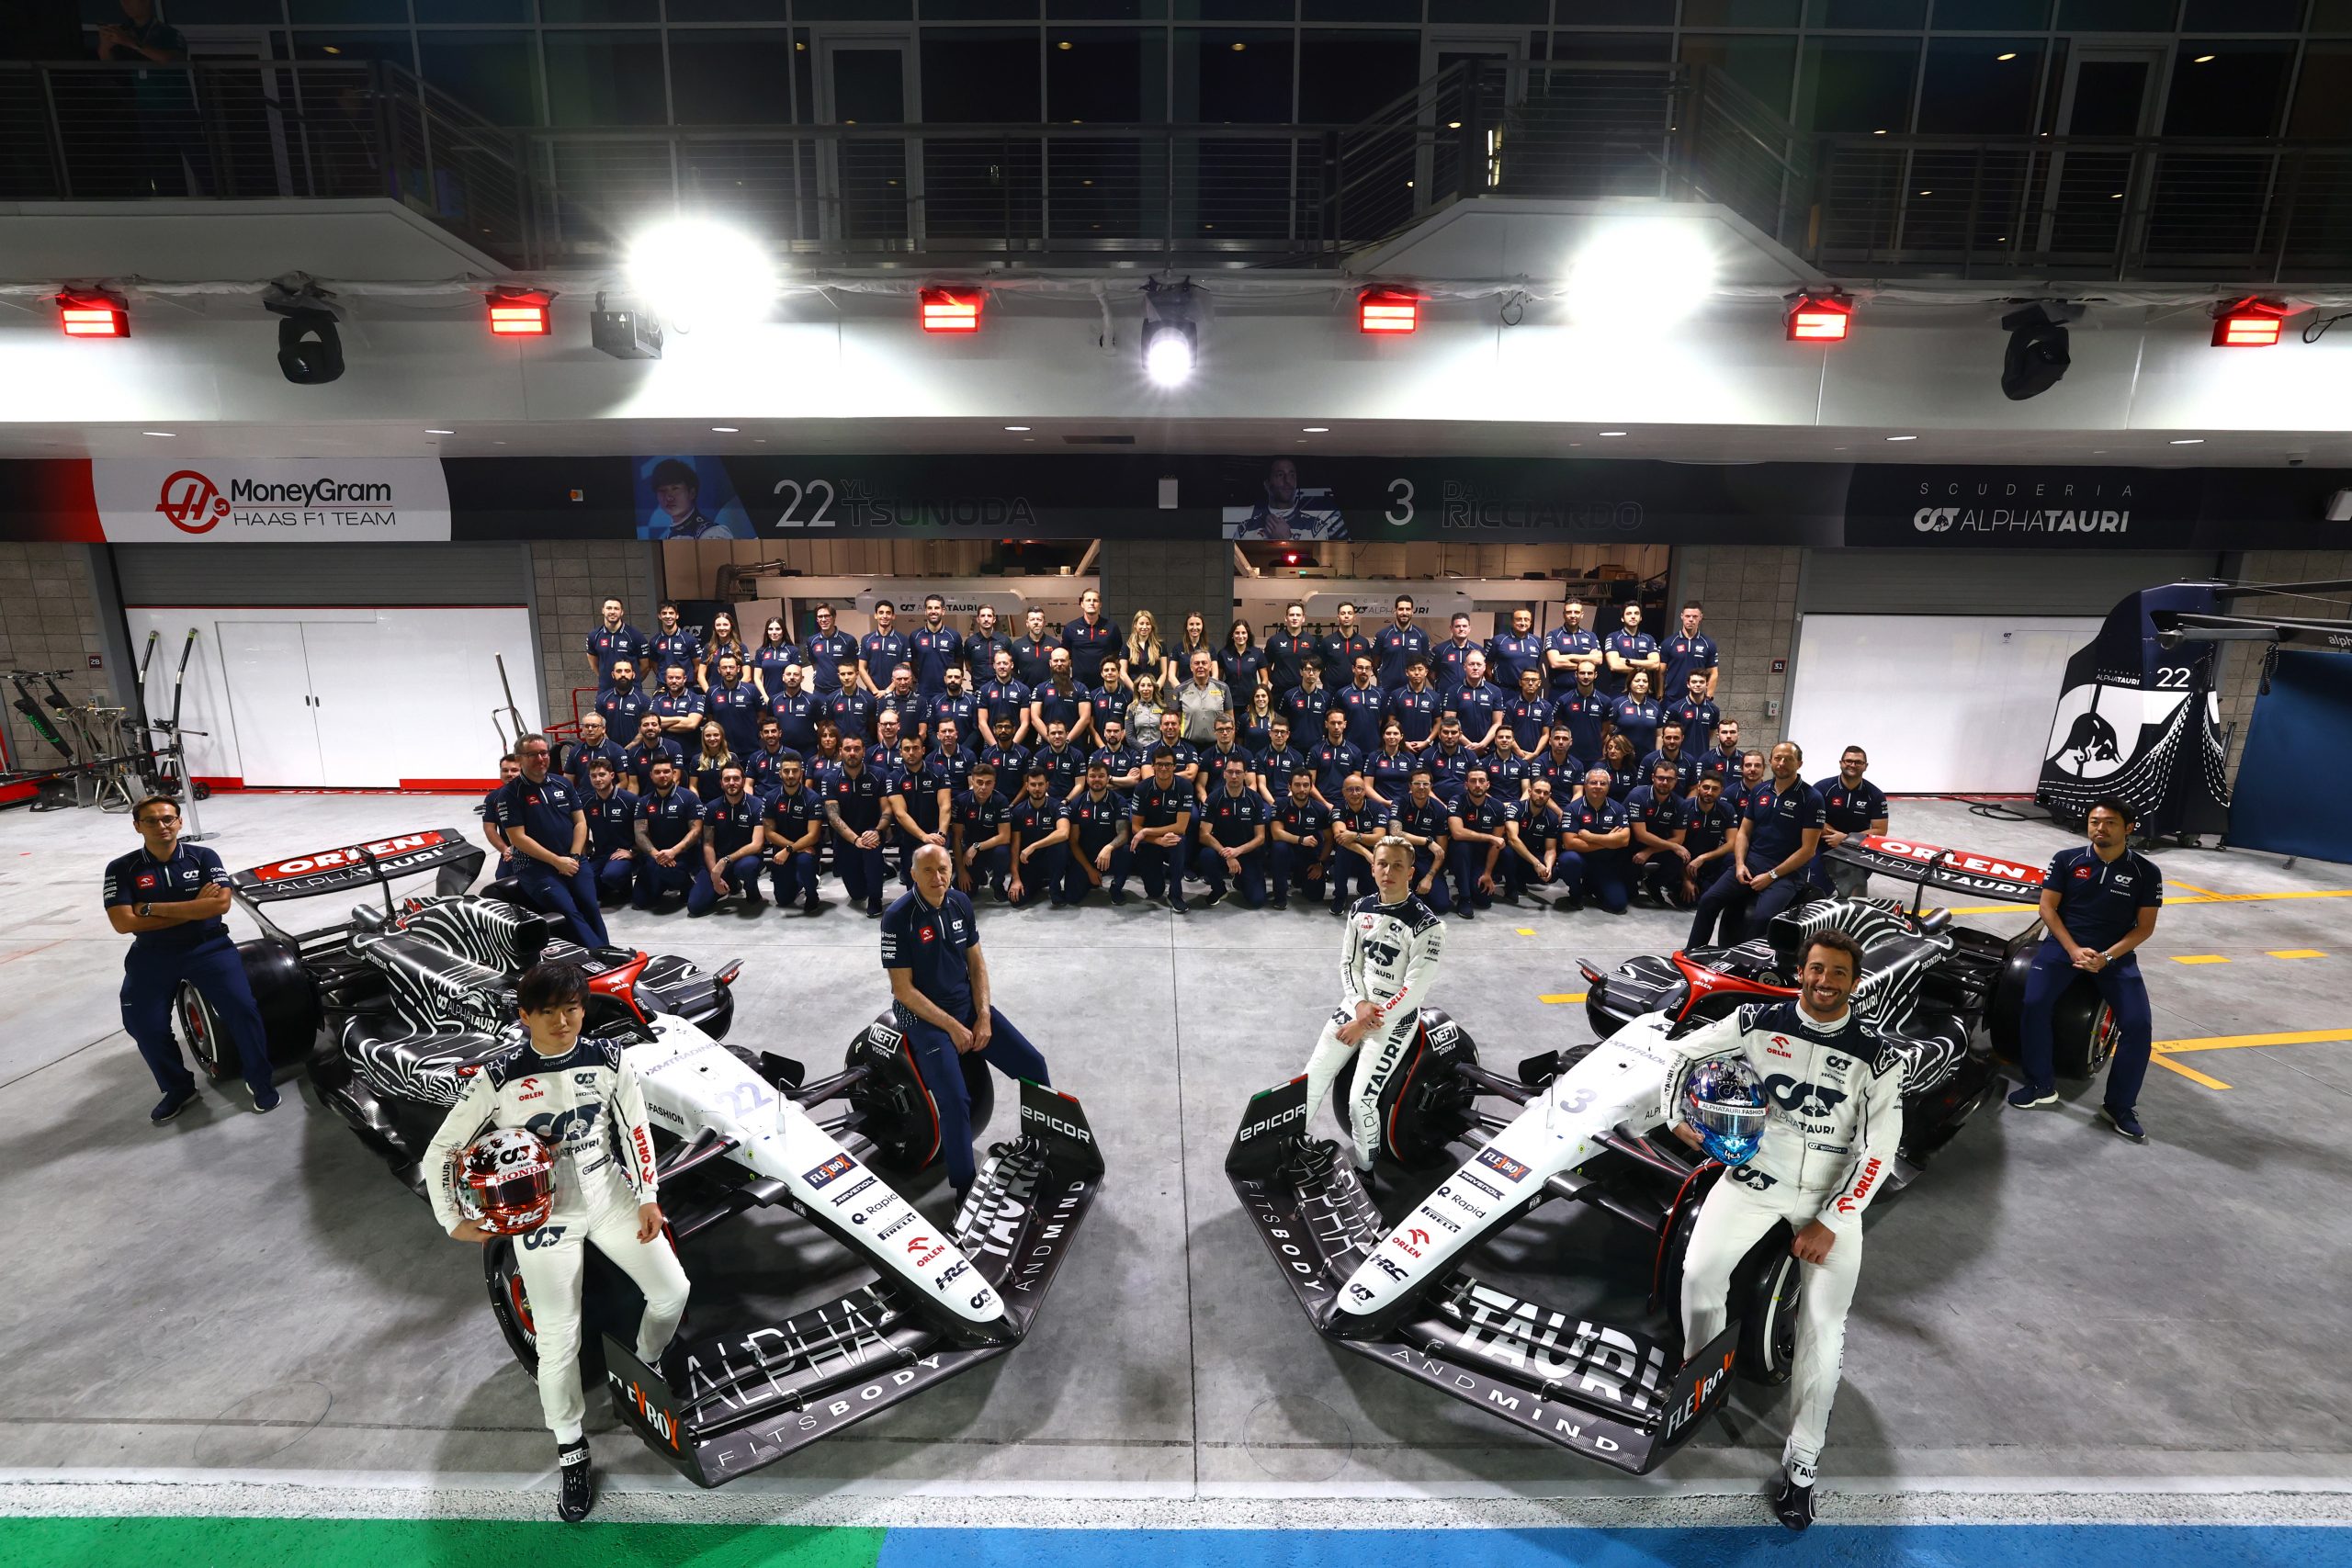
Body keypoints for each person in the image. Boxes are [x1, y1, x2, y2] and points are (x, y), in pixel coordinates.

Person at [426, 959, 687, 1524]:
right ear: (525, 1016)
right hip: (543, 1211)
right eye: (548, 1012)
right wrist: (452, 1218)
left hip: (610, 1192)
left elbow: (635, 1131)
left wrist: (647, 1196)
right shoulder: (498, 1077)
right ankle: (571, 1447)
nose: (562, 1021)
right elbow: (441, 1151)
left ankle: (642, 1370)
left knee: (672, 1290)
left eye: (571, 1008)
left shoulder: (610, 1058)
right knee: (558, 1337)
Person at [1665, 931, 1901, 1533]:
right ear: (1801, 971)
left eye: (1839, 973)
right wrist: (1680, 1115)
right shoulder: (1754, 1020)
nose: (1826, 981)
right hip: (1754, 1176)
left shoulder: (1877, 1054)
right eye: (1817, 969)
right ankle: (1703, 1382)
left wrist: (1835, 1216)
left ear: (1854, 981)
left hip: (1830, 1196)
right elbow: (1681, 1054)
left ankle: (1801, 1468)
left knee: (1822, 1329)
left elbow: (1880, 1147)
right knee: (1698, 1273)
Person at [883, 847, 1056, 1201]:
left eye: (943, 869)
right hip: (923, 1018)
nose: (938, 878)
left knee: (1033, 1065)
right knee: (955, 1099)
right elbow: (902, 990)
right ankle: (964, 1188)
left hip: (966, 1007)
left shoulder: (960, 902)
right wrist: (953, 1027)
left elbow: (976, 965)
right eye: (928, 871)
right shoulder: (899, 917)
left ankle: (1042, 1146)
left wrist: (984, 1015)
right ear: (912, 875)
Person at [106, 795, 277, 1121]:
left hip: (208, 947)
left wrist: (150, 909)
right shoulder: (122, 868)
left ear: (180, 821)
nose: (162, 825)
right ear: (137, 826)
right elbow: (123, 923)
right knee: (142, 1024)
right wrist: (193, 910)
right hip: (152, 953)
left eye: (168, 818)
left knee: (243, 1010)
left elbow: (219, 906)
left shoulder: (203, 856)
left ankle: (260, 1081)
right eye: (152, 820)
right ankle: (178, 1088)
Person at [2008, 798, 2162, 1141]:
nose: (2100, 828)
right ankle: (2040, 1084)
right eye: (2094, 822)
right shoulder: (2067, 860)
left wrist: (2106, 957)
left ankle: (2119, 1105)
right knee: (2034, 1004)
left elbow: (2144, 928)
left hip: (2115, 956)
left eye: (2109, 822)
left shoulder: (2146, 872)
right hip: (2063, 947)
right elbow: (2047, 908)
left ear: (2129, 827)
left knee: (2138, 1025)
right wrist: (2073, 948)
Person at [1295, 837, 1444, 1177]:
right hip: (1357, 1004)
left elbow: (1414, 989)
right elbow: (1349, 964)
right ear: (1372, 866)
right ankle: (1292, 1144)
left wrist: (1365, 1021)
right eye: (1382, 863)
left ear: (1411, 872)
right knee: (1311, 1078)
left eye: (1397, 865)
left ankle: (1365, 1171)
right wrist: (1360, 1004)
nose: (1387, 871)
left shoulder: (1428, 926)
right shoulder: (1360, 907)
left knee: (1359, 1101)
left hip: (1396, 1018)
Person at [1690, 741, 1823, 948]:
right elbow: (1743, 832)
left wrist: (1772, 876)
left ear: (1800, 763)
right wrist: (1741, 864)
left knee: (1762, 918)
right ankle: (1692, 953)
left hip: (1787, 874)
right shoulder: (1760, 791)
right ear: (1771, 761)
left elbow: (1808, 850)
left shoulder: (1812, 798)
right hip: (1752, 863)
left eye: (1789, 759)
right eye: (1778, 758)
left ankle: (1744, 966)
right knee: (1708, 901)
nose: (1782, 763)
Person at [495, 735, 611, 950]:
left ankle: (608, 952)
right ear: (520, 759)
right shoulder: (510, 794)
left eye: (544, 753)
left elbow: (580, 823)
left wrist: (574, 856)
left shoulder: (563, 783)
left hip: (573, 861)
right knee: (568, 911)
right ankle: (599, 955)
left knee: (590, 907)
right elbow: (518, 838)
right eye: (533, 754)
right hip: (535, 867)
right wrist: (557, 861)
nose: (541, 758)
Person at [823, 734, 893, 917]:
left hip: (873, 834)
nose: (852, 753)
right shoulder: (830, 779)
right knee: (857, 894)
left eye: (856, 749)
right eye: (847, 749)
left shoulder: (878, 775)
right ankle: (883, 868)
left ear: (864, 751)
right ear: (841, 752)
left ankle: (876, 899)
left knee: (870, 848)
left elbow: (887, 810)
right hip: (847, 840)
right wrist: (855, 839)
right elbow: (833, 817)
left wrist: (878, 831)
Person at [688, 765, 766, 917]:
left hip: (744, 859)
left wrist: (726, 860)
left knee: (748, 866)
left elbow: (757, 845)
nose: (732, 782)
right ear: (721, 783)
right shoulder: (711, 808)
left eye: (736, 778)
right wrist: (714, 874)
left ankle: (752, 891)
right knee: (695, 907)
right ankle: (733, 884)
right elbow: (708, 844)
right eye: (727, 779)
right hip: (717, 862)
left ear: (743, 781)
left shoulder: (756, 806)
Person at [1812, 747, 1889, 897]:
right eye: (1849, 761)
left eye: (1858, 762)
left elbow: (1880, 830)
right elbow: (1813, 820)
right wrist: (1836, 839)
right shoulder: (1822, 788)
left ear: (1866, 766)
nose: (1853, 765)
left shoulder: (1875, 795)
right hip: (1823, 847)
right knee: (1817, 894)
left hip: (1857, 850)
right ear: (1841, 763)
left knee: (1852, 898)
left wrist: (1847, 840)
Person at [1194, 756, 1270, 908]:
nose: (1234, 776)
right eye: (1230, 772)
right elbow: (1204, 835)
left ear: (1245, 774)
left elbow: (1261, 837)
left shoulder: (1254, 799)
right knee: (1206, 855)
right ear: (1224, 774)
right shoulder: (1214, 798)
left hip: (1247, 853)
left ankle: (1240, 880)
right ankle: (1219, 889)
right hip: (1221, 852)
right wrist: (1227, 854)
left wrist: (1238, 851)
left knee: (1257, 901)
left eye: (1238, 772)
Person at [629, 756, 702, 911]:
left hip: (682, 855)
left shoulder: (688, 798)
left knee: (670, 872)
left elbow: (696, 831)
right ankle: (660, 884)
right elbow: (640, 834)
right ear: (651, 775)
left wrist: (674, 851)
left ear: (674, 773)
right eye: (657, 772)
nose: (662, 775)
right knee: (639, 903)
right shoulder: (644, 802)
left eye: (666, 772)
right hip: (655, 856)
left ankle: (686, 884)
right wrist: (657, 855)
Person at [1126, 748, 1194, 912]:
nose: (1164, 768)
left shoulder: (1184, 786)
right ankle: (1162, 868)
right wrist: (1156, 839)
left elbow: (1181, 827)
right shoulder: (1143, 788)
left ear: (1175, 766)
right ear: (1153, 766)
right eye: (1160, 765)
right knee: (1154, 892)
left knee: (1178, 841)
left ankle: (1175, 894)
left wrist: (1146, 831)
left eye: (1168, 765)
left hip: (1171, 838)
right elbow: (1136, 827)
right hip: (1150, 842)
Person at [1558, 767, 1634, 915]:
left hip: (1605, 864)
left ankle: (1592, 885)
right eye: (1593, 782)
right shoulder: (1572, 809)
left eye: (1602, 783)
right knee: (1568, 859)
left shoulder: (1618, 809)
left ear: (1608, 786)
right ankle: (1576, 892)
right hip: (1581, 860)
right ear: (1585, 785)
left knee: (1618, 906)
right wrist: (1609, 841)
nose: (1598, 786)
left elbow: (1624, 840)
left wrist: (1591, 837)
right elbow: (1570, 843)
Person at [1444, 765, 1511, 919]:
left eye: (1482, 781)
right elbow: (1458, 833)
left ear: (1488, 784)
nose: (1477, 785)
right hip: (1459, 855)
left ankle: (1479, 879)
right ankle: (1464, 897)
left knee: (1484, 901)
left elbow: (1497, 843)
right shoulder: (1457, 801)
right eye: (1473, 781)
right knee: (1461, 845)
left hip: (1482, 858)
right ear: (1466, 784)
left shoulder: (1498, 807)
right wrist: (1489, 837)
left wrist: (1487, 873)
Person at [1063, 761, 1133, 906]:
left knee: (1126, 850)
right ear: (1087, 779)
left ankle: (1116, 887)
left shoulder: (1118, 801)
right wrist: (1089, 869)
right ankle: (1090, 879)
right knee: (1071, 898)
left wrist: (1108, 848)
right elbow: (1073, 841)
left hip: (1109, 854)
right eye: (1092, 776)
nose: (1096, 779)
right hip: (1085, 856)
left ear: (1108, 778)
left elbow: (1124, 834)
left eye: (1101, 776)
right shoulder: (1077, 803)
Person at [764, 753, 827, 913]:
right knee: (783, 900)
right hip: (783, 851)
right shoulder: (771, 798)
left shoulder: (813, 799)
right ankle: (801, 881)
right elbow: (769, 833)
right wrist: (791, 848)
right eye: (786, 771)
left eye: (795, 771)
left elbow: (813, 835)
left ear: (801, 772)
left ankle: (812, 894)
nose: (790, 775)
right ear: (780, 773)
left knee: (804, 862)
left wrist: (790, 850)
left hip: (807, 852)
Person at [1625, 761, 1690, 907]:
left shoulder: (1680, 804)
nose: (1664, 782)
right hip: (1632, 846)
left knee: (1680, 856)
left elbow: (1679, 839)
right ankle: (1632, 880)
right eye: (1661, 778)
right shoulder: (1638, 796)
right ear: (1653, 777)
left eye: (1669, 779)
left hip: (1657, 846)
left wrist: (1649, 851)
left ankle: (1652, 884)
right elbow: (1640, 835)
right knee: (1629, 896)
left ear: (1676, 781)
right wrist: (1674, 846)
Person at [1238, 457, 1346, 540]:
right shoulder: (1246, 528)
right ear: (1267, 484)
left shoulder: (1315, 527)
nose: (1287, 481)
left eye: (1292, 475)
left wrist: (1287, 539)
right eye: (1280, 475)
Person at [1390, 768, 1453, 911]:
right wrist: (1428, 841)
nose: (1421, 787)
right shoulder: (1399, 803)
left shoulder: (1439, 809)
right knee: (1395, 904)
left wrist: (1429, 878)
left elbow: (1441, 851)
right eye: (1417, 783)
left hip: (1426, 860)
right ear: (1410, 786)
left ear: (1431, 786)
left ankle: (1419, 891)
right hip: (1401, 858)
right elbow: (1395, 833)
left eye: (1425, 784)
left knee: (1441, 906)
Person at [950, 758, 1013, 901]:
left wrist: (977, 847)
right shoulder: (961, 801)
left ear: (994, 784)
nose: (983, 787)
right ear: (972, 782)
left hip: (992, 849)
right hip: (970, 854)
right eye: (979, 782)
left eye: (988, 783)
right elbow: (956, 837)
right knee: (964, 892)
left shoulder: (1001, 800)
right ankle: (979, 875)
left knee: (1002, 853)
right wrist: (961, 871)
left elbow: (1005, 836)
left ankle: (997, 883)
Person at [1268, 772, 1332, 910]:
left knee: (1315, 897)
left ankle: (1299, 879)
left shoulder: (1320, 809)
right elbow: (1276, 833)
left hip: (1309, 858)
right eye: (1297, 785)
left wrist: (1320, 864)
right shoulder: (1279, 804)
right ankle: (1280, 895)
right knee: (1279, 847)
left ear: (1311, 787)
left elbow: (1329, 839)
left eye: (1305, 785)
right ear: (1289, 787)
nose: (1302, 789)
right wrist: (1301, 840)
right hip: (1287, 855)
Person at [1329, 773, 1391, 915]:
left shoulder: (1376, 808)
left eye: (1358, 789)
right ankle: (1340, 896)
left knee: (1369, 891)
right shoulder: (1338, 808)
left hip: (1372, 856)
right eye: (1350, 790)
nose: (1355, 793)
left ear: (1364, 791)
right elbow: (1341, 838)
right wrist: (1366, 853)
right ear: (1343, 792)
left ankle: (1365, 888)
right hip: (1352, 854)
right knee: (1342, 851)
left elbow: (1379, 837)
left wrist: (1354, 835)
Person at [1679, 772, 1742, 909]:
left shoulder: (1727, 809)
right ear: (1699, 787)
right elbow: (1677, 845)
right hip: (1685, 862)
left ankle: (1710, 886)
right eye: (1706, 787)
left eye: (1715, 789)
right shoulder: (1684, 807)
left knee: (1732, 859)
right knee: (1689, 902)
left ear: (1721, 791)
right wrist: (1686, 879)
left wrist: (1703, 858)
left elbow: (1732, 844)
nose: (1709, 792)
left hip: (1709, 861)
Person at [582, 757, 638, 907]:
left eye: (602, 775)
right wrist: (581, 855)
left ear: (612, 776)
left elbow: (644, 830)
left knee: (611, 875)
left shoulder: (629, 800)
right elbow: (583, 830)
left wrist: (633, 851)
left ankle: (625, 888)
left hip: (624, 854)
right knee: (583, 884)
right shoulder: (586, 802)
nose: (597, 779)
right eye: (593, 776)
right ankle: (605, 885)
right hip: (600, 855)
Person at [1503, 774, 1566, 905]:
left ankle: (1521, 879)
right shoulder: (1515, 808)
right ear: (1530, 791)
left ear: (1549, 796)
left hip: (1532, 854)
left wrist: (1547, 867)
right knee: (1507, 853)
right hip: (1513, 852)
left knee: (1553, 873)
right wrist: (1536, 864)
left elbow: (1550, 848)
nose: (1541, 795)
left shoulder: (1552, 818)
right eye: (1538, 791)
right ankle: (1511, 885)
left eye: (1545, 793)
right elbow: (1513, 839)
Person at [1029, 649, 1093, 748]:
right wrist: (1051, 740)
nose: (1059, 664)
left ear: (1069, 663)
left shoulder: (1081, 688)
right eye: (1056, 661)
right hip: (1048, 747)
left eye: (1063, 660)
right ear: (1050, 663)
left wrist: (1066, 740)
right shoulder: (1040, 688)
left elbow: (1085, 718)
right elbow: (1034, 718)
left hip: (1074, 747)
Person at [703, 654, 763, 758]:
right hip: (722, 751)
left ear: (738, 669)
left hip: (750, 749)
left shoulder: (751, 689)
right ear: (719, 670)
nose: (728, 671)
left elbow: (762, 716)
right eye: (724, 667)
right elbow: (710, 720)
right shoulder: (711, 692)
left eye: (731, 667)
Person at [976, 646, 1033, 751]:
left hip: (1016, 747)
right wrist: (995, 748)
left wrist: (1011, 746)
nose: (1002, 666)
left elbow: (1025, 723)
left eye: (1005, 663)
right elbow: (982, 722)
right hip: (991, 747)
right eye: (999, 663)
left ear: (1012, 665)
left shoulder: (1023, 690)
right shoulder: (985, 690)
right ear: (994, 666)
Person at [584, 597, 649, 691]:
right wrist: (606, 679)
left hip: (631, 690)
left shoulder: (635, 635)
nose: (612, 612)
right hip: (605, 690)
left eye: (616, 609)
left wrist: (631, 681)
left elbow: (645, 666)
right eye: (609, 608)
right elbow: (593, 664)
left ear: (622, 612)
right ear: (603, 610)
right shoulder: (594, 636)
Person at [1544, 598, 1603, 698]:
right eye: (1569, 612)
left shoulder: (1590, 636)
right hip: (1559, 691)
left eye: (1576, 612)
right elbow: (1555, 663)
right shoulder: (1553, 635)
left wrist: (1569, 656)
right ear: (1564, 614)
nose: (1572, 615)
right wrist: (1586, 665)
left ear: (1582, 614)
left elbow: (1598, 659)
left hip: (1585, 692)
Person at [1661, 601, 1719, 704]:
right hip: (1671, 699)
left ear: (1700, 617)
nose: (1691, 620)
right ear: (1682, 616)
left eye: (1695, 616)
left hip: (1698, 700)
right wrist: (1659, 694)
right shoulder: (1669, 642)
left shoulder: (1708, 644)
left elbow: (1713, 673)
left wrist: (1709, 697)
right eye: (1688, 616)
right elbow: (1660, 673)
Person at [1448, 649, 1505, 754]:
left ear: (1484, 667)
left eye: (1479, 664)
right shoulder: (1453, 690)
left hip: (1487, 750)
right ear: (1465, 667)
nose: (1475, 668)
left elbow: (1497, 723)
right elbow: (1450, 723)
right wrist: (1470, 746)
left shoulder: (1495, 691)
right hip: (1461, 750)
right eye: (1471, 664)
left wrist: (1482, 745)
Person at [1553, 665, 1612, 762]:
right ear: (1576, 675)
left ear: (1595, 675)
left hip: (1594, 756)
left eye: (1589, 673)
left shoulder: (1605, 701)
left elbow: (1605, 729)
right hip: (1569, 756)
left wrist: (1593, 742)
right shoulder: (1563, 700)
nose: (1586, 676)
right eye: (1582, 673)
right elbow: (1558, 728)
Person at [1603, 602, 1664, 698]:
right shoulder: (1613, 637)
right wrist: (1643, 668)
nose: (1633, 616)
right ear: (1622, 618)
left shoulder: (1648, 638)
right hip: (1619, 689)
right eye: (1628, 613)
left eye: (1636, 613)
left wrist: (1628, 661)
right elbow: (1614, 665)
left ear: (1640, 618)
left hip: (1642, 688)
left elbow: (1655, 664)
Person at [1060, 587, 1117, 689]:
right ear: (1082, 604)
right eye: (1088, 600)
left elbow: (1116, 652)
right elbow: (1066, 655)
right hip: (1078, 685)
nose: (1091, 603)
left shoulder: (1111, 627)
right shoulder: (1071, 628)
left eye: (1095, 600)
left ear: (1100, 604)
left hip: (1104, 684)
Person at [1387, 654, 1443, 755]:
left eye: (1420, 669)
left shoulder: (1434, 696)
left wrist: (1427, 742)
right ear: (1406, 672)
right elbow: (1391, 721)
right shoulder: (1397, 694)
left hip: (1426, 749)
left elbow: (1438, 722)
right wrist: (1403, 742)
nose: (1416, 673)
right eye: (1412, 669)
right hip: (1402, 748)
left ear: (1426, 672)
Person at [1308, 708, 1363, 811]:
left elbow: (1356, 786)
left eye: (1339, 723)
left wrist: (1345, 805)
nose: (1336, 727)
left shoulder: (1355, 751)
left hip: (1347, 804)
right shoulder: (1316, 750)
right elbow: (1310, 784)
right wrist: (1325, 804)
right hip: (1320, 803)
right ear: (1326, 724)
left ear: (1345, 724)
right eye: (1333, 723)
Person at [910, 593, 964, 698]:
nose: (933, 611)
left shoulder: (954, 636)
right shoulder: (915, 636)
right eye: (929, 608)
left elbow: (959, 664)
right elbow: (912, 662)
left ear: (943, 611)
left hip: (948, 692)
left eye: (937, 608)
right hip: (923, 692)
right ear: (925, 611)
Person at [767, 661, 821, 760]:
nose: (792, 677)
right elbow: (769, 726)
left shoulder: (813, 700)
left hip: (808, 751)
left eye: (796, 674)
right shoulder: (774, 700)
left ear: (802, 678)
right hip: (781, 750)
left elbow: (822, 727)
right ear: (783, 677)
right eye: (788, 674)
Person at [1375, 593, 1430, 691]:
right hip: (1387, 690)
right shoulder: (1383, 635)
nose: (1404, 613)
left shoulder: (1422, 635)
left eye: (1408, 609)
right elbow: (1375, 664)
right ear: (1394, 611)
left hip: (1413, 691)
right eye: (1401, 609)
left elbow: (1426, 664)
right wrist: (1382, 680)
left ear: (1412, 611)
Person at [1177, 649, 1233, 745]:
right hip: (1188, 745)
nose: (1200, 666)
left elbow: (1231, 720)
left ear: (1210, 666)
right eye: (1196, 663)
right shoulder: (1180, 690)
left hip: (1216, 745)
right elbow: (1176, 722)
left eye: (1204, 663)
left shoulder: (1223, 688)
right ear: (1191, 667)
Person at [1337, 653, 1387, 755]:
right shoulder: (1342, 694)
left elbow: (1383, 721)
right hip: (1348, 749)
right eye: (1360, 668)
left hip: (1374, 750)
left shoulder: (1380, 694)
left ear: (1371, 670)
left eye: (1367, 668)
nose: (1364, 671)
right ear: (1353, 669)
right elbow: (1336, 721)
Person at [803, 603, 857, 698]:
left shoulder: (848, 640)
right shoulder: (812, 641)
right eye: (820, 616)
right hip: (819, 691)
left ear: (834, 617)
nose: (823, 619)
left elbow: (856, 664)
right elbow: (814, 663)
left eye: (827, 616)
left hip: (842, 691)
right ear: (817, 619)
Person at [481, 753, 523, 877]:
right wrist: (505, 850)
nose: (509, 774)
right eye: (505, 770)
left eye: (515, 770)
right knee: (502, 878)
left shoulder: (534, 793)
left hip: (538, 850)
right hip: (511, 852)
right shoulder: (492, 798)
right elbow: (489, 828)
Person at [621, 714, 683, 796]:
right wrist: (632, 803)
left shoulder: (674, 747)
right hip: (644, 801)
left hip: (669, 798)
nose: (650, 728)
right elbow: (633, 785)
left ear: (660, 728)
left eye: (654, 724)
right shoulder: (633, 752)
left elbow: (676, 779)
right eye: (645, 725)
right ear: (639, 729)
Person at [565, 712, 627, 795]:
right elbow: (567, 782)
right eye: (586, 726)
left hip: (608, 798)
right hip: (583, 799)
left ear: (603, 729)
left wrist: (605, 794)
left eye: (594, 726)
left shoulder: (616, 750)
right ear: (582, 729)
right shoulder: (575, 751)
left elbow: (625, 782)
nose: (590, 729)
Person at [1266, 601, 1318, 696]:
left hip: (1304, 692)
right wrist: (1277, 681)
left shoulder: (1312, 641)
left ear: (1303, 618)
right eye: (1291, 615)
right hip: (1280, 692)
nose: (1295, 618)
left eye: (1298, 615)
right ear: (1286, 618)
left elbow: (1316, 667)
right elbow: (1267, 667)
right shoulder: (1274, 640)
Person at [648, 602, 702, 694]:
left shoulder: (689, 639)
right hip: (663, 687)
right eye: (664, 613)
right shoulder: (654, 641)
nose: (668, 616)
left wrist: (687, 680)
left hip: (686, 687)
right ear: (659, 616)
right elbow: (654, 665)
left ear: (677, 616)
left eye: (671, 613)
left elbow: (697, 666)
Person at [1318, 602, 1373, 694]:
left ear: (1354, 617)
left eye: (1350, 613)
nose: (1346, 616)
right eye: (1343, 613)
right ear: (1338, 617)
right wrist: (1328, 683)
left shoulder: (1363, 642)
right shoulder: (1327, 641)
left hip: (1355, 692)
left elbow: (1367, 668)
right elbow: (1320, 667)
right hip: (1332, 692)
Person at [1254, 714, 1306, 807]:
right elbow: (1261, 785)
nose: (1279, 735)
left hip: (1291, 798)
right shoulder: (1261, 755)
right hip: (1267, 800)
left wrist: (1287, 802)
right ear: (1270, 733)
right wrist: (1274, 804)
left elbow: (1298, 784)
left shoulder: (1297, 756)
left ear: (1288, 735)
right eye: (1276, 731)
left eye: (1282, 732)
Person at [1362, 718, 1415, 810]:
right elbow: (1367, 786)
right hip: (1379, 805)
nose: (1391, 736)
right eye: (1388, 733)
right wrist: (1384, 803)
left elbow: (1415, 785)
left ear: (1401, 736)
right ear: (1383, 736)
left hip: (1405, 806)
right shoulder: (1374, 757)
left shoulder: (1410, 758)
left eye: (1395, 733)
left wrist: (1403, 803)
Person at [859, 602, 910, 697]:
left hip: (897, 693)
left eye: (888, 613)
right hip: (873, 694)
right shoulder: (866, 639)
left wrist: (888, 690)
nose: (884, 616)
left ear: (893, 616)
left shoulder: (902, 639)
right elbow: (861, 668)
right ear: (875, 615)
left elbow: (906, 669)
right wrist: (875, 691)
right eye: (881, 612)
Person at [1487, 606, 1544, 692]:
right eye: (1519, 619)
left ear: (1530, 622)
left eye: (1526, 619)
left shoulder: (1537, 641)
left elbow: (1537, 665)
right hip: (1504, 690)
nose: (1523, 623)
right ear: (1512, 622)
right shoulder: (1498, 640)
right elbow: (1487, 666)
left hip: (1528, 692)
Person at [1612, 670, 1663, 760]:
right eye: (1637, 681)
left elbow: (1659, 736)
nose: (1641, 684)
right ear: (1629, 683)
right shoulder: (1618, 704)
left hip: (1648, 758)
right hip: (1623, 758)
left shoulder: (1655, 705)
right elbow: (1609, 733)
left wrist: (1657, 757)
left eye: (1645, 681)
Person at [594, 660, 650, 741]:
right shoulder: (602, 699)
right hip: (609, 750)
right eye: (619, 671)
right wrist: (613, 748)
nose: (623, 674)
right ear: (613, 675)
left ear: (633, 675)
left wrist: (631, 747)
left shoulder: (644, 700)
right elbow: (599, 726)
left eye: (627, 671)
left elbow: (646, 728)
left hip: (635, 750)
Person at [1642, 720, 1699, 798]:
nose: (1672, 741)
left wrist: (1685, 807)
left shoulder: (1690, 761)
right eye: (1668, 737)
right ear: (1662, 738)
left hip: (1680, 808)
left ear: (1682, 738)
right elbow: (1642, 790)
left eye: (1676, 738)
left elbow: (1694, 789)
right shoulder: (1649, 760)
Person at [1282, 656, 1333, 742]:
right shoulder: (1289, 695)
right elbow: (1283, 722)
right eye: (1308, 669)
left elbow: (1329, 723)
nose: (1311, 673)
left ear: (1320, 672)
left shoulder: (1326, 697)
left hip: (1318, 748)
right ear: (1301, 672)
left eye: (1315, 670)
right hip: (1294, 747)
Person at [750, 615, 798, 702]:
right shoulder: (761, 651)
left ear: (783, 631)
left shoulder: (792, 650)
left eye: (778, 629)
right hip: (768, 698)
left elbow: (796, 676)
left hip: (789, 698)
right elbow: (757, 678)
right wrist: (765, 697)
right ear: (767, 631)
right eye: (770, 629)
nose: (774, 632)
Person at [964, 604, 1013, 689]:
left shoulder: (1004, 641)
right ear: (978, 619)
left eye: (989, 616)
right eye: (983, 616)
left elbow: (1011, 663)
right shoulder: (970, 642)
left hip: (1001, 688)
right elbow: (967, 662)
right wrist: (977, 675)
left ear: (994, 619)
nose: (986, 619)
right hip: (978, 688)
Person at [1217, 617, 1268, 701]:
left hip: (1251, 702)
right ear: (1232, 635)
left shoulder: (1257, 653)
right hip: (1229, 701)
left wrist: (1258, 699)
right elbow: (1218, 680)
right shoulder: (1223, 653)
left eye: (1244, 633)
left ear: (1248, 635)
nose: (1240, 636)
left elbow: (1265, 679)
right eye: (1237, 633)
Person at [650, 663, 705, 739]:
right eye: (670, 678)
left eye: (678, 678)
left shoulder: (696, 698)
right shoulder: (658, 699)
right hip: (665, 749)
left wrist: (662, 726)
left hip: (691, 749)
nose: (674, 681)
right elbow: (652, 722)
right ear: (666, 678)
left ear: (684, 679)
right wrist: (680, 719)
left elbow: (692, 724)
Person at [688, 720, 738, 803]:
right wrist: (698, 804)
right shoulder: (696, 759)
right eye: (708, 735)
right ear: (703, 738)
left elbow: (736, 784)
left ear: (721, 736)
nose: (712, 738)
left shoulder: (731, 758)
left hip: (726, 803)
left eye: (716, 735)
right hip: (703, 804)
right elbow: (693, 786)